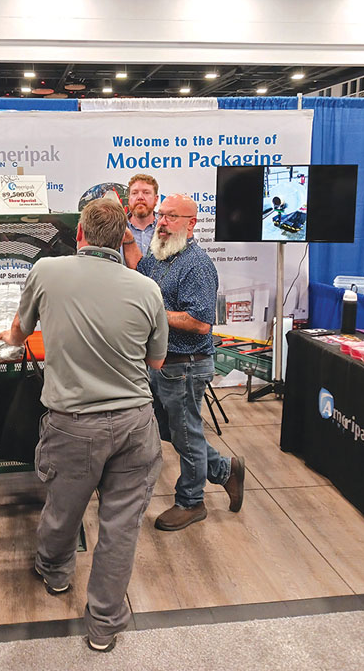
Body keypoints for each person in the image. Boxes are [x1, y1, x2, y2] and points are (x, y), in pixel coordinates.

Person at [0, 198, 168, 652]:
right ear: (123, 237)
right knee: (121, 527)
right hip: (136, 425)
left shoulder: (47, 271)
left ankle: (55, 573)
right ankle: (105, 625)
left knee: (63, 509)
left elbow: (18, 333)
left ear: (80, 233)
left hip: (72, 424)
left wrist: (7, 336)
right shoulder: (147, 289)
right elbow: (156, 361)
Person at [123, 194, 244, 531]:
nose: (162, 222)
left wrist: (154, 312)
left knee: (186, 435)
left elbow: (200, 322)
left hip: (186, 365)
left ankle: (192, 502)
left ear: (191, 224)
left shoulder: (197, 265)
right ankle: (224, 470)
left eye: (172, 217)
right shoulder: (160, 254)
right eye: (162, 215)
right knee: (174, 431)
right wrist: (129, 240)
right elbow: (140, 273)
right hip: (162, 362)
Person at [123, 173, 159, 257]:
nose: (140, 197)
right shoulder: (117, 228)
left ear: (156, 199)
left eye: (146, 192)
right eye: (134, 193)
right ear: (129, 199)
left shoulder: (167, 227)